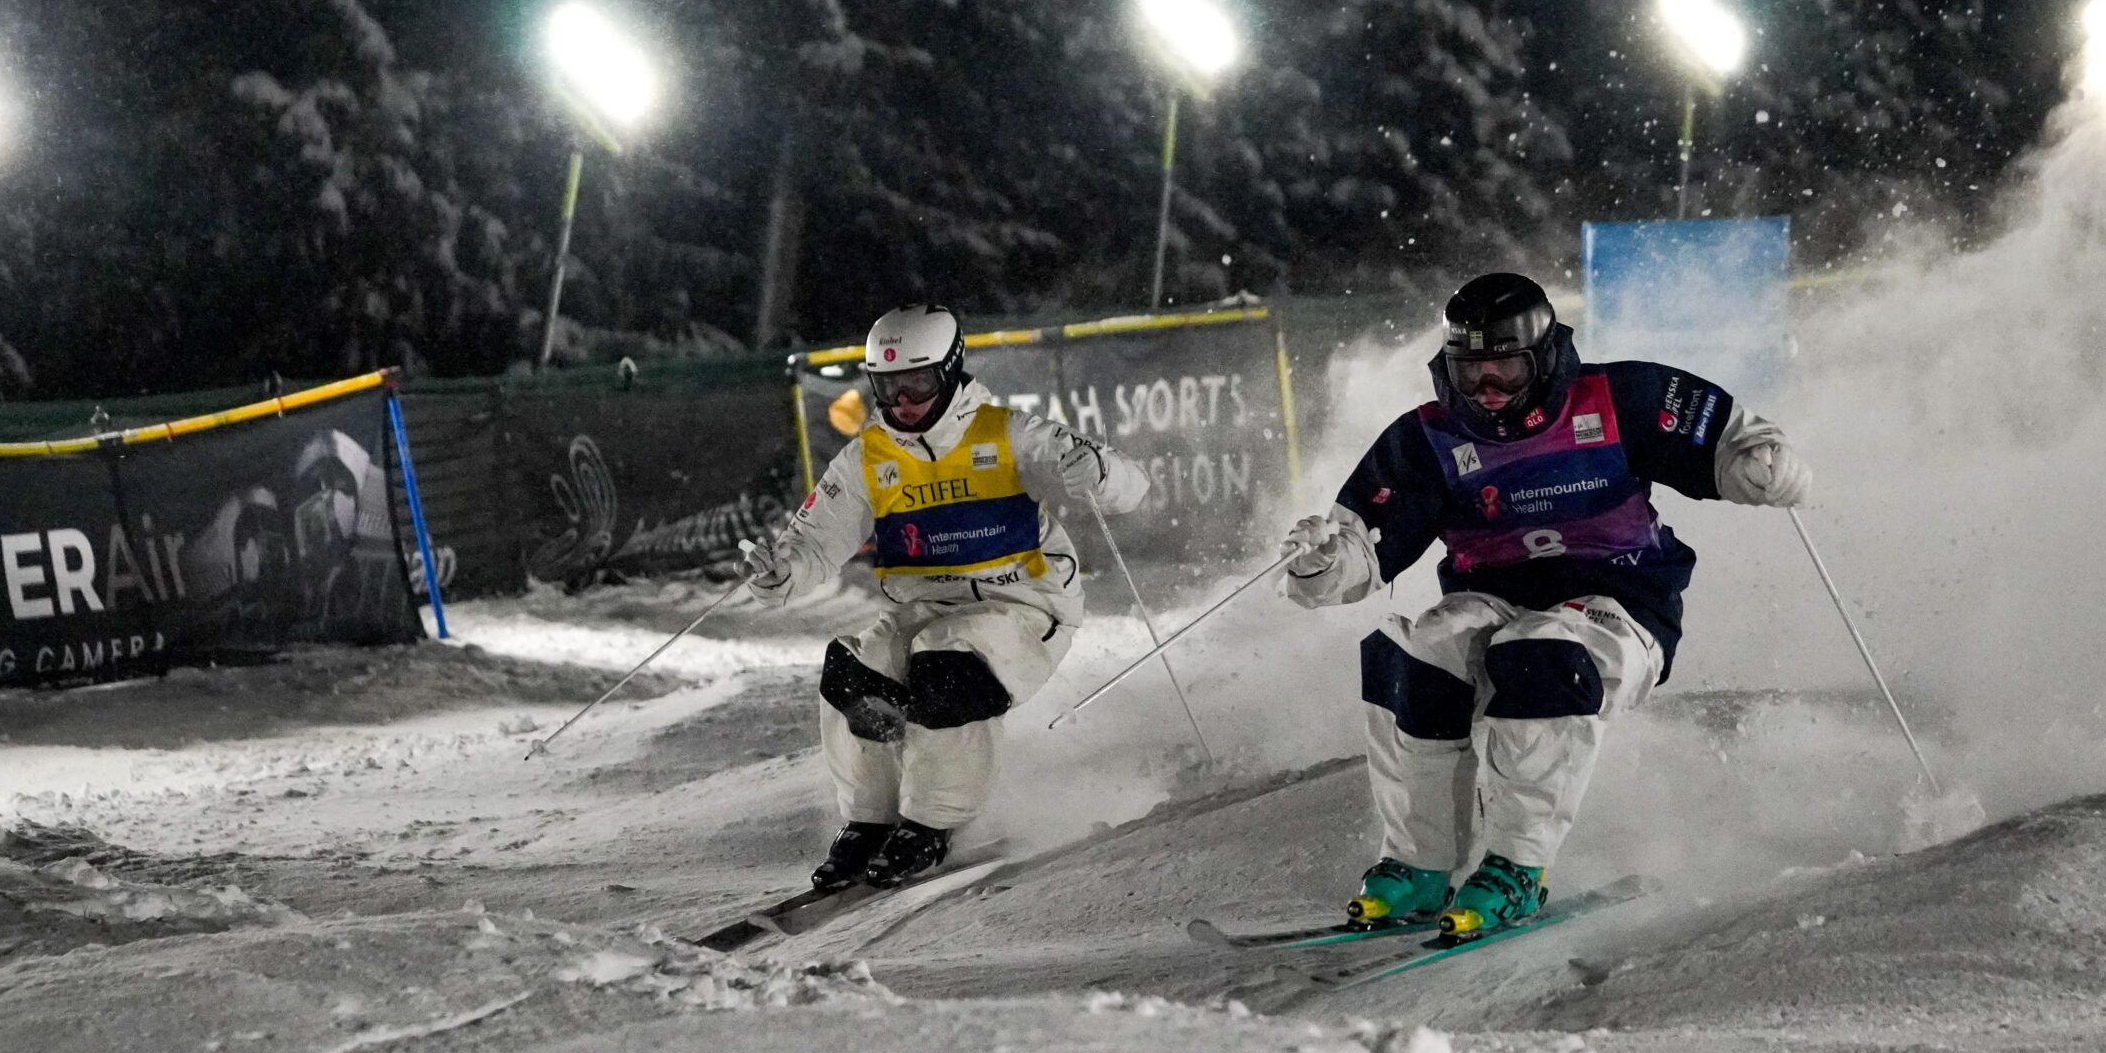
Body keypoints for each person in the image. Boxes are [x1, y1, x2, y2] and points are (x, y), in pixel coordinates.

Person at [1278, 271, 1811, 939]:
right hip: (1493, 599)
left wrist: (1760, 464)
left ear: (1546, 358)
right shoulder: (1427, 440)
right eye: (1470, 371)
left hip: (1622, 602)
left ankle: (1516, 866)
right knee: (1413, 651)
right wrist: (1321, 563)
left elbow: (1728, 439)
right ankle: (1419, 862)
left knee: (1539, 651)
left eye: (1506, 368)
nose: (1488, 389)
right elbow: (1361, 547)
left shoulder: (1621, 397)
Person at [743, 302, 1152, 891]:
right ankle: (870, 820)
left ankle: (934, 822)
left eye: (918, 382)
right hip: (928, 606)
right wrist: (781, 573)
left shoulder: (1007, 433)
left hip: (1024, 604)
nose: (903, 401)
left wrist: (1101, 472)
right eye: (888, 386)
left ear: (951, 369)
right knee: (855, 670)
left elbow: (1130, 489)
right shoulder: (869, 457)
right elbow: (812, 543)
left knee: (946, 663)